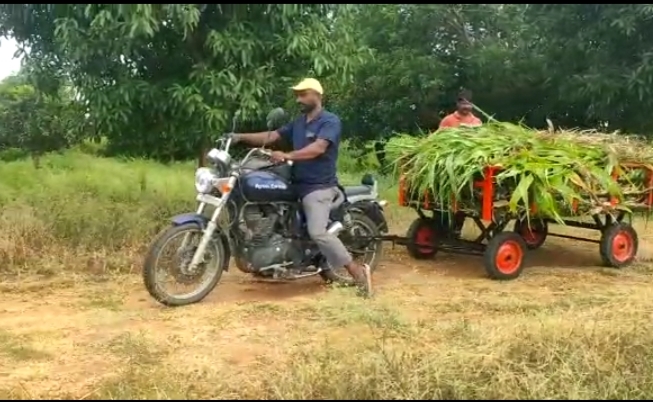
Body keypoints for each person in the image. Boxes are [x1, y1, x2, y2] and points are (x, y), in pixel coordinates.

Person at [231, 78, 373, 297]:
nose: (299, 99)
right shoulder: (298, 123)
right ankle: (274, 257)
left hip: (318, 186)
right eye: (297, 95)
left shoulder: (330, 121)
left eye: (303, 94)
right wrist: (239, 137)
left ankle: (357, 272)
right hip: (295, 183)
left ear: (317, 95)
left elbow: (318, 148)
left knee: (318, 232)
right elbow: (272, 136)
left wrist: (287, 155)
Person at [439, 91, 482, 237]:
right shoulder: (448, 120)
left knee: (463, 200)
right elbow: (437, 139)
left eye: (468, 104)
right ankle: (440, 228)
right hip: (449, 165)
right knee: (443, 201)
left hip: (469, 168)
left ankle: (456, 229)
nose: (465, 107)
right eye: (462, 104)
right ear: (457, 104)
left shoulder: (476, 122)